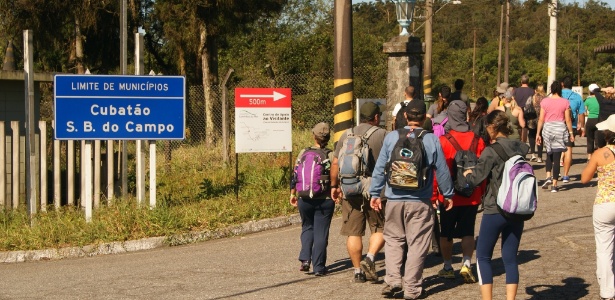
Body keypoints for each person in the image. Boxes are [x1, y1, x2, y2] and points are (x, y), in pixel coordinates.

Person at [369, 100, 454, 300]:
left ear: (405, 116)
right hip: (420, 200)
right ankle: (412, 288)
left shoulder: (391, 137)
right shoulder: (431, 140)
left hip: (394, 199)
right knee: (417, 244)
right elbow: (442, 170)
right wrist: (447, 194)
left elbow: (381, 167)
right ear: (425, 117)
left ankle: (392, 280)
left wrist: (375, 193)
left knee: (393, 240)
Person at [462, 110, 529, 300]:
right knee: (510, 258)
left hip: (495, 208)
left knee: (483, 256)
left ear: (492, 127)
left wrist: (468, 174)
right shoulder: (521, 147)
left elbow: (476, 179)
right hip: (517, 207)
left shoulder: (491, 151)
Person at [330, 102, 387, 283]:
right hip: (374, 190)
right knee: (381, 228)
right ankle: (369, 258)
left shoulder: (346, 135)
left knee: (353, 232)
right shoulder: (382, 135)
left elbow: (335, 163)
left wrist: (334, 186)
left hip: (350, 189)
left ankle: (357, 272)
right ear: (376, 117)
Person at [435, 100, 485, 284]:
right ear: (465, 115)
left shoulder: (443, 141)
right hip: (471, 194)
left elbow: (438, 171)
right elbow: (482, 169)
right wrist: (482, 190)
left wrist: (435, 194)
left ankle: (447, 266)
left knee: (446, 232)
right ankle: (466, 264)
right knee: (468, 231)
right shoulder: (477, 140)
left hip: (448, 196)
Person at [290, 122, 335, 276]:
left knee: (307, 227)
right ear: (328, 137)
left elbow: (295, 174)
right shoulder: (331, 155)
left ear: (313, 136)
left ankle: (305, 259)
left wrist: (292, 193)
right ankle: (319, 267)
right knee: (321, 232)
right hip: (325, 198)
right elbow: (335, 176)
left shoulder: (304, 152)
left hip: (304, 197)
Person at [581, 114, 615, 300]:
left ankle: (607, 292)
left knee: (604, 249)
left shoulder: (600, 154)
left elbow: (585, 178)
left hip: (605, 203)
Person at [536, 81, 574, 193]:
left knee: (549, 154)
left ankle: (548, 176)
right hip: (559, 129)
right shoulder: (565, 102)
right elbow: (567, 119)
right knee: (557, 158)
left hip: (548, 129)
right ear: (560, 89)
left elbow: (541, 119)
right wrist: (571, 133)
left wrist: (538, 133)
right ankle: (554, 185)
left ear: (551, 89)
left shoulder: (545, 101)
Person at [560, 76, 586, 183]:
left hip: (558, 125)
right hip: (572, 126)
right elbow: (581, 113)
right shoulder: (577, 96)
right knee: (569, 149)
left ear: (562, 84)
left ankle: (555, 173)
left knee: (556, 150)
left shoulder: (558, 95)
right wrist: (582, 126)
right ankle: (566, 175)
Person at [591, 86, 615, 150]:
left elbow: (595, 90)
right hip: (613, 127)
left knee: (601, 147)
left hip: (602, 126)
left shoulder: (602, 100)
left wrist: (605, 89)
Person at [513, 75, 535, 143]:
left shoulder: (516, 90)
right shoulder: (532, 91)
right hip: (528, 111)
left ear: (521, 81)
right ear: (528, 81)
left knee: (519, 127)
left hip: (518, 110)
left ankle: (519, 142)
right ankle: (524, 143)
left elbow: (513, 100)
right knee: (525, 127)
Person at [527, 85, 546, 163]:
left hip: (532, 119)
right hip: (541, 120)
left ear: (536, 90)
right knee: (540, 137)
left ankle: (533, 153)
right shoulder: (545, 99)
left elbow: (526, 106)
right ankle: (540, 157)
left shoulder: (532, 97)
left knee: (531, 136)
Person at [585, 84, 601, 161]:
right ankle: (597, 155)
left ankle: (589, 156)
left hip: (590, 120)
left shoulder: (587, 100)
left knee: (590, 138)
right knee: (598, 139)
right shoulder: (601, 99)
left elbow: (585, 111)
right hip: (599, 120)